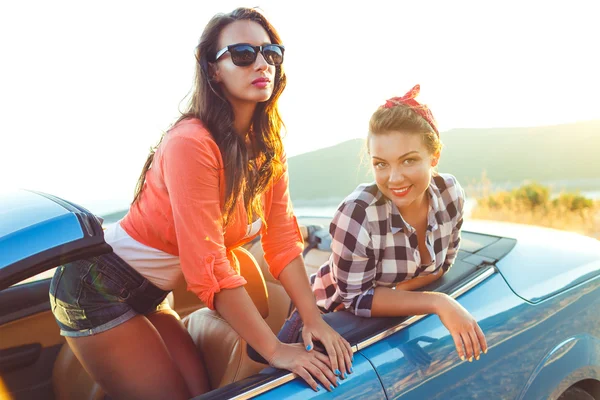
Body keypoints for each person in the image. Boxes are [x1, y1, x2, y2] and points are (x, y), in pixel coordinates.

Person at [48, 7, 352, 399]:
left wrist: (314, 320)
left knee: (200, 391)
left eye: (271, 53)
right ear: (212, 70)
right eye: (243, 54)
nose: (262, 63)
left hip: (150, 292)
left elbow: (282, 241)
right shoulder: (191, 143)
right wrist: (277, 350)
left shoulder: (267, 148)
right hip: (96, 288)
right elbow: (207, 268)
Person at [279, 84, 488, 363]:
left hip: (377, 323)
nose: (394, 178)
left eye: (409, 160)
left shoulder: (451, 194)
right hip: (325, 319)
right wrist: (437, 302)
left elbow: (444, 265)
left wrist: (393, 296)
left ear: (434, 157)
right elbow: (356, 300)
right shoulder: (358, 213)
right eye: (381, 164)